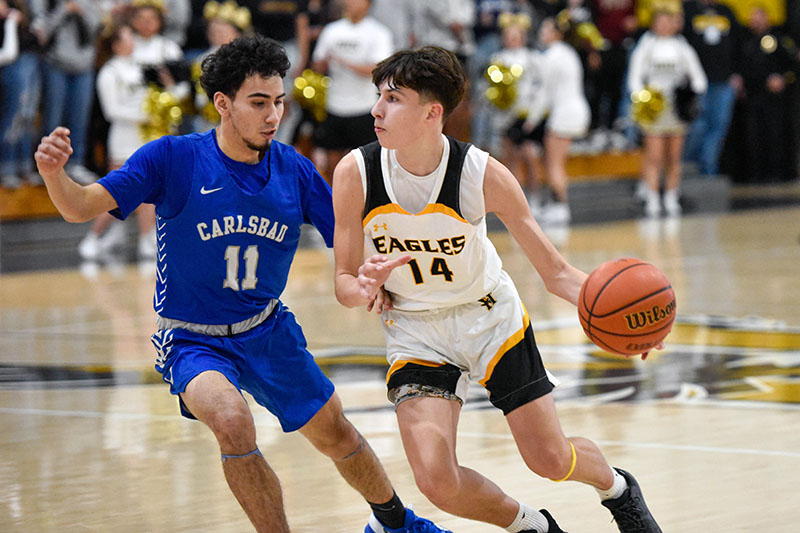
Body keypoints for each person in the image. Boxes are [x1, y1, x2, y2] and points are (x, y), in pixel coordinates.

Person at [34, 34, 450, 533]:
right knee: (232, 421)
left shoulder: (293, 168)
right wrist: (54, 173)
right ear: (222, 104)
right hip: (190, 338)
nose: (273, 116)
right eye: (259, 103)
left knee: (335, 433)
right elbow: (79, 207)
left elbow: (352, 234)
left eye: (279, 102)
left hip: (266, 328)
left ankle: (395, 522)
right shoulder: (173, 158)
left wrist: (381, 269)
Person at [331, 45, 662, 533]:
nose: (377, 109)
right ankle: (531, 526)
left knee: (549, 459)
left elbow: (557, 273)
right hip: (416, 330)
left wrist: (635, 322)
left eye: (393, 98)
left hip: (489, 318)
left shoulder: (481, 174)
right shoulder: (355, 172)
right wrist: (363, 286)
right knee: (436, 483)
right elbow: (343, 283)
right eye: (378, 96)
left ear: (432, 112)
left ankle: (616, 488)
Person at [77, 23, 157, 262]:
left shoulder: (140, 66)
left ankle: (146, 239)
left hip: (146, 138)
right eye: (128, 36)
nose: (133, 40)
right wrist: (146, 116)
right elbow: (112, 111)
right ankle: (92, 237)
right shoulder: (109, 72)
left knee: (148, 193)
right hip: (123, 141)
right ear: (116, 45)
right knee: (118, 195)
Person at [626, 4, 707, 217]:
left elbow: (699, 79)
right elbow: (634, 78)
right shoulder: (646, 46)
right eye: (659, 21)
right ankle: (652, 198)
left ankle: (671, 197)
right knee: (653, 156)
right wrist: (643, 97)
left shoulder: (682, 47)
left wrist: (688, 92)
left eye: (667, 21)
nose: (663, 26)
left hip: (676, 111)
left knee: (673, 157)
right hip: (654, 109)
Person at [311, 0, 393, 180]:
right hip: (334, 105)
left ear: (368, 4)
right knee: (333, 164)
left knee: (369, 166)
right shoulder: (332, 30)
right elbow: (317, 65)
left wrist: (343, 62)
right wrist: (324, 63)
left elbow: (378, 70)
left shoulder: (379, 33)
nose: (349, 3)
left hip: (364, 108)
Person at [523, 17, 591, 226]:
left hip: (564, 113)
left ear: (557, 33)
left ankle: (561, 206)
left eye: (545, 30)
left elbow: (544, 94)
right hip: (577, 108)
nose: (542, 33)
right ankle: (555, 204)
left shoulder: (550, 57)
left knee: (554, 164)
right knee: (554, 162)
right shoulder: (569, 53)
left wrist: (531, 120)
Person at [681, 0, 743, 177]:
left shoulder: (727, 11)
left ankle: (708, 170)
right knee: (696, 125)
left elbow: (738, 44)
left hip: (723, 81)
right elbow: (681, 42)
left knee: (718, 128)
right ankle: (687, 168)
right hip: (696, 82)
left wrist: (736, 73)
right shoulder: (689, 9)